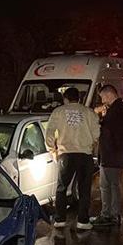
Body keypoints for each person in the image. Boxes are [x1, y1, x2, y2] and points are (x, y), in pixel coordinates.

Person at [45, 87, 100, 231]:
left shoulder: (58, 112)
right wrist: (91, 144)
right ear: (79, 99)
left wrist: (53, 150)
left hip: (66, 154)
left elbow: (49, 132)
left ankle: (60, 219)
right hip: (84, 154)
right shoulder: (89, 112)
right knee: (84, 188)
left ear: (65, 99)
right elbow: (96, 134)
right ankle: (82, 220)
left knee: (62, 187)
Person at [92, 85, 123, 226]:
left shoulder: (116, 110)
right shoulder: (120, 109)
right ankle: (111, 214)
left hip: (111, 156)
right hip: (115, 155)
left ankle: (109, 215)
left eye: (103, 97)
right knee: (112, 186)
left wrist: (99, 119)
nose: (102, 101)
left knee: (108, 186)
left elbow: (108, 132)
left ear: (108, 95)